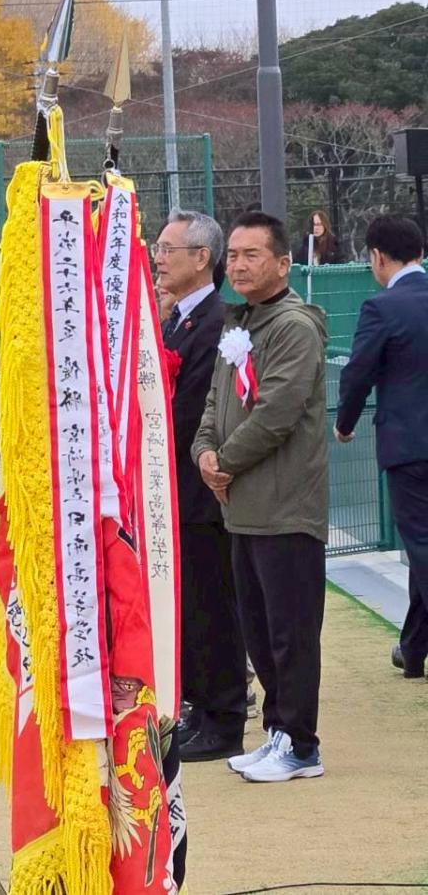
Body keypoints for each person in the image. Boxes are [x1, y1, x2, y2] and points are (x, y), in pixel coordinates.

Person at [192, 211, 329, 783]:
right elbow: (213, 405)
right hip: (242, 508)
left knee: (290, 632)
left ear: (282, 263)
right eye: (237, 255)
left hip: (285, 508)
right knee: (258, 630)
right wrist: (204, 452)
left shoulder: (293, 326)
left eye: (254, 255)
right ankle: (277, 732)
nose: (241, 265)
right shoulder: (238, 322)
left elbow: (276, 413)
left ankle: (300, 743)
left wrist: (224, 461)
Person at [152, 210, 248, 762]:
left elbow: (187, 412)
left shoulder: (215, 323)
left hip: (199, 492)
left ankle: (224, 716)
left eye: (169, 249)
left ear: (201, 258)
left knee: (212, 606)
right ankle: (201, 706)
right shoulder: (179, 319)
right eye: (159, 248)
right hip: (177, 494)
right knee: (191, 606)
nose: (159, 258)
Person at [334, 215, 428, 680]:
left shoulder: (382, 308)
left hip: (410, 448)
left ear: (377, 257)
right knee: (422, 547)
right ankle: (413, 649)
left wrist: (345, 424)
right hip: (413, 444)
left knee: (423, 545)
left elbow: (357, 372)